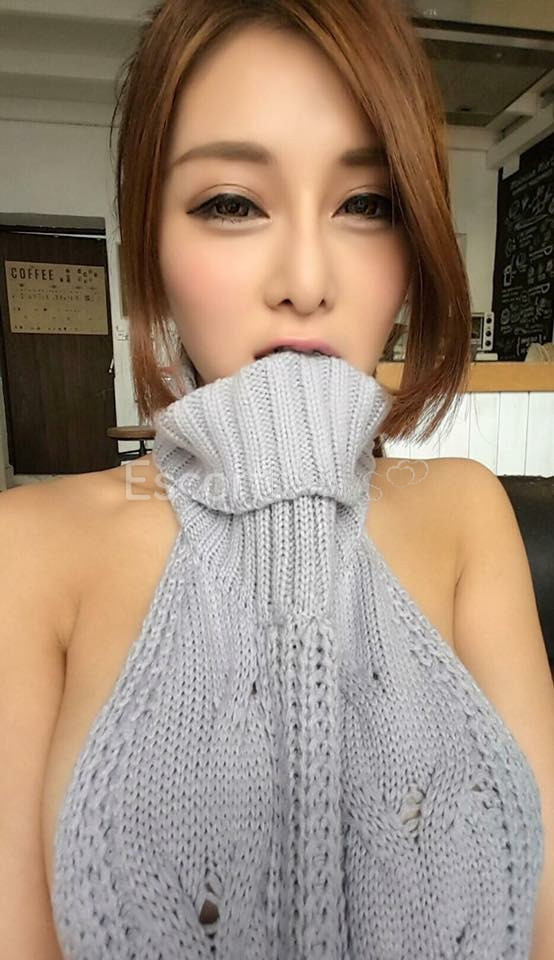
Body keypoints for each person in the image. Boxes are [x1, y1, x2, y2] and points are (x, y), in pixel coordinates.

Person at [1, 1, 553, 958]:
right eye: (231, 203)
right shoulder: (31, 547)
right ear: (150, 245)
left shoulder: (467, 513)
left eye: (367, 205)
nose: (305, 278)